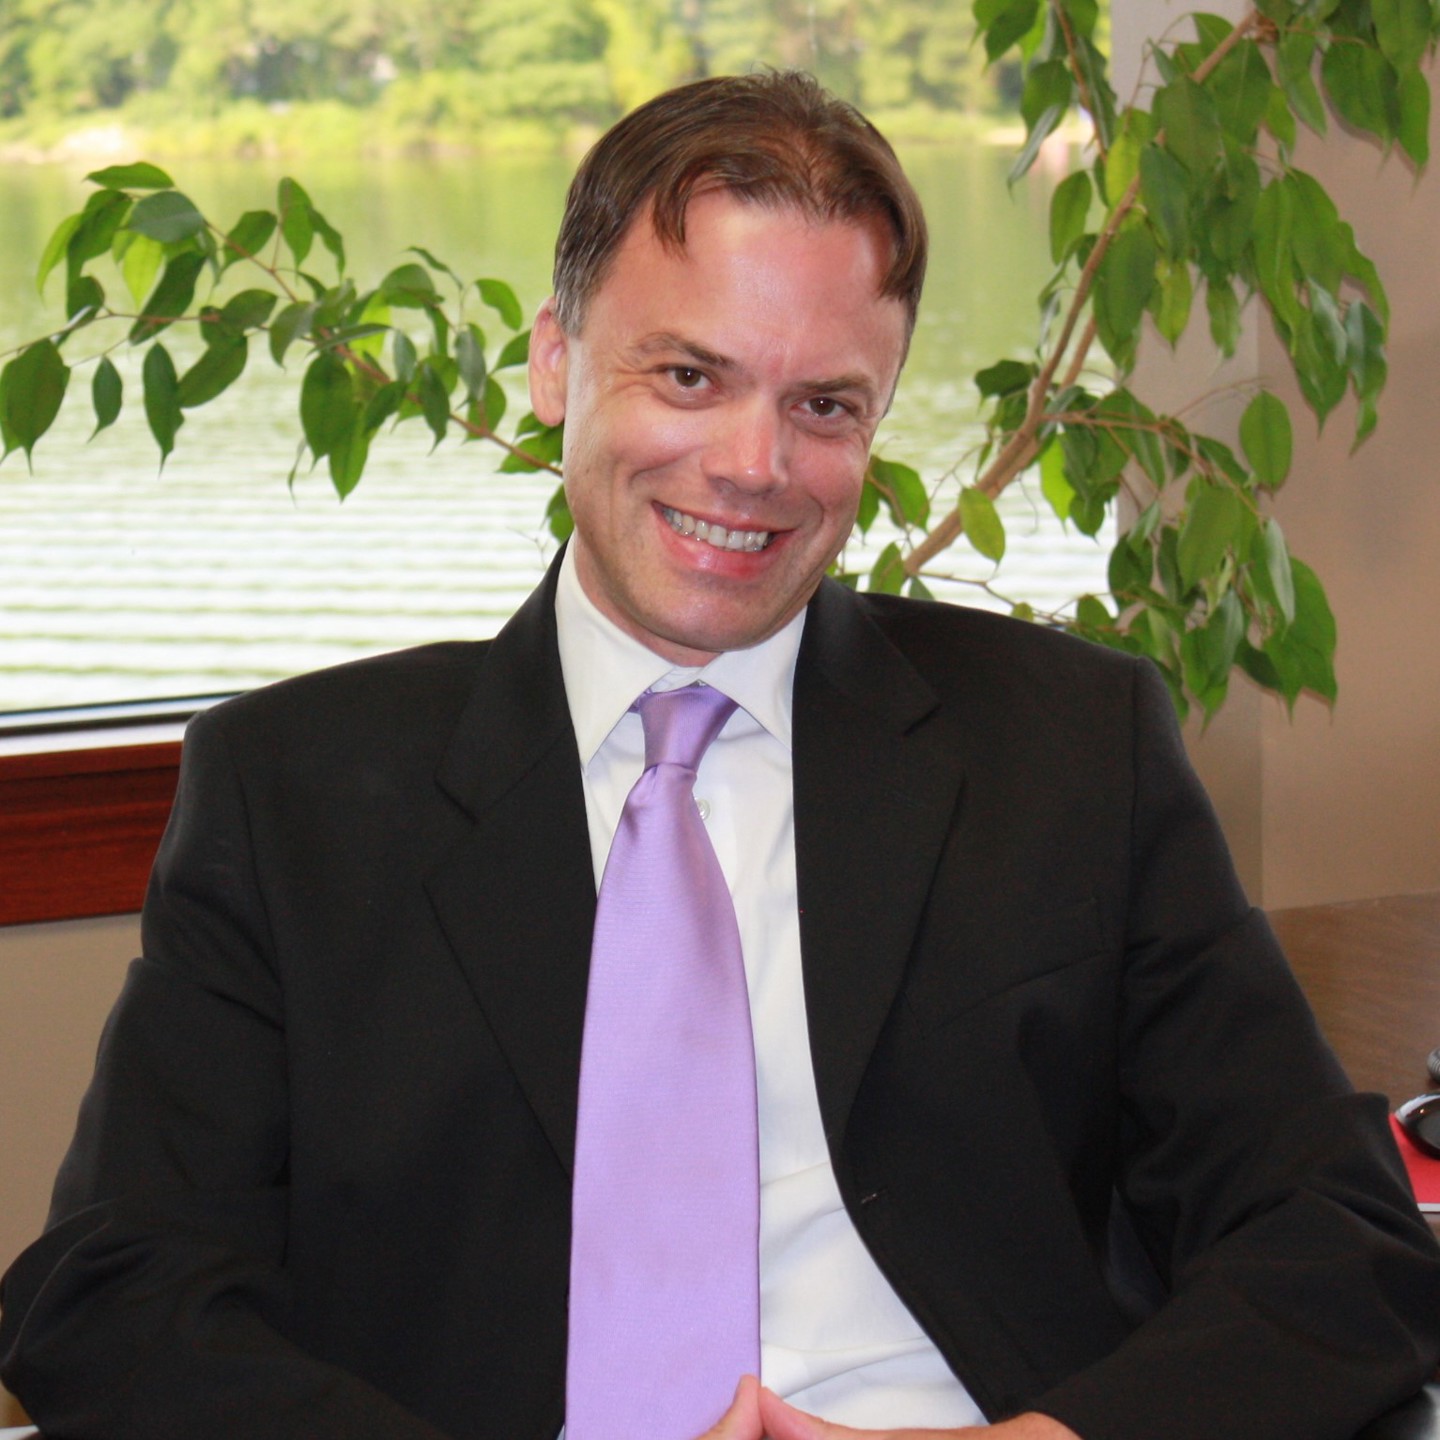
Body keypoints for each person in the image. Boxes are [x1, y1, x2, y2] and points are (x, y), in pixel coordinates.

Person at [2, 70, 1438, 1440]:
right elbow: (116, 1291)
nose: (756, 465)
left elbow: (1340, 1233)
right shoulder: (291, 792)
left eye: (825, 405)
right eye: (690, 374)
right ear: (557, 365)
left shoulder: (1069, 750)